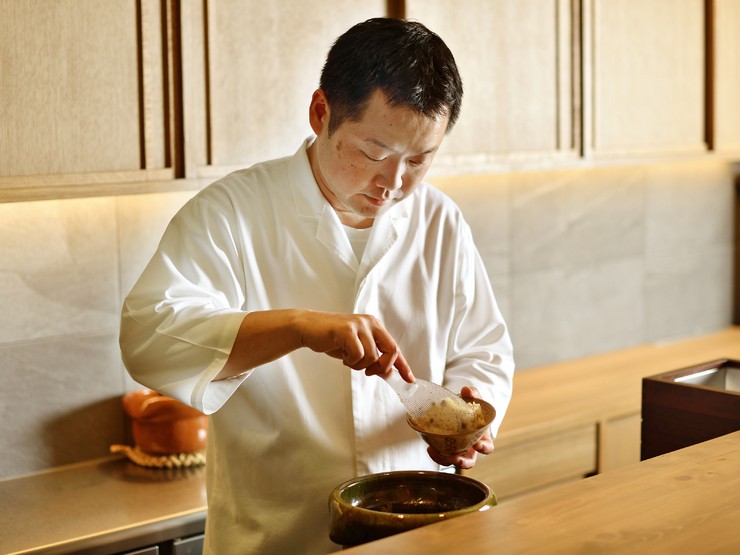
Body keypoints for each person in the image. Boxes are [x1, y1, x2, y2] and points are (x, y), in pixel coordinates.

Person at [120, 17, 514, 554]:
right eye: (374, 153)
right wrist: (299, 327)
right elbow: (148, 335)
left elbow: (484, 348)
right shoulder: (232, 212)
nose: (394, 183)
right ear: (320, 112)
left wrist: (472, 413)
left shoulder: (439, 220)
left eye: (419, 160)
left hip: (416, 535)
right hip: (276, 540)